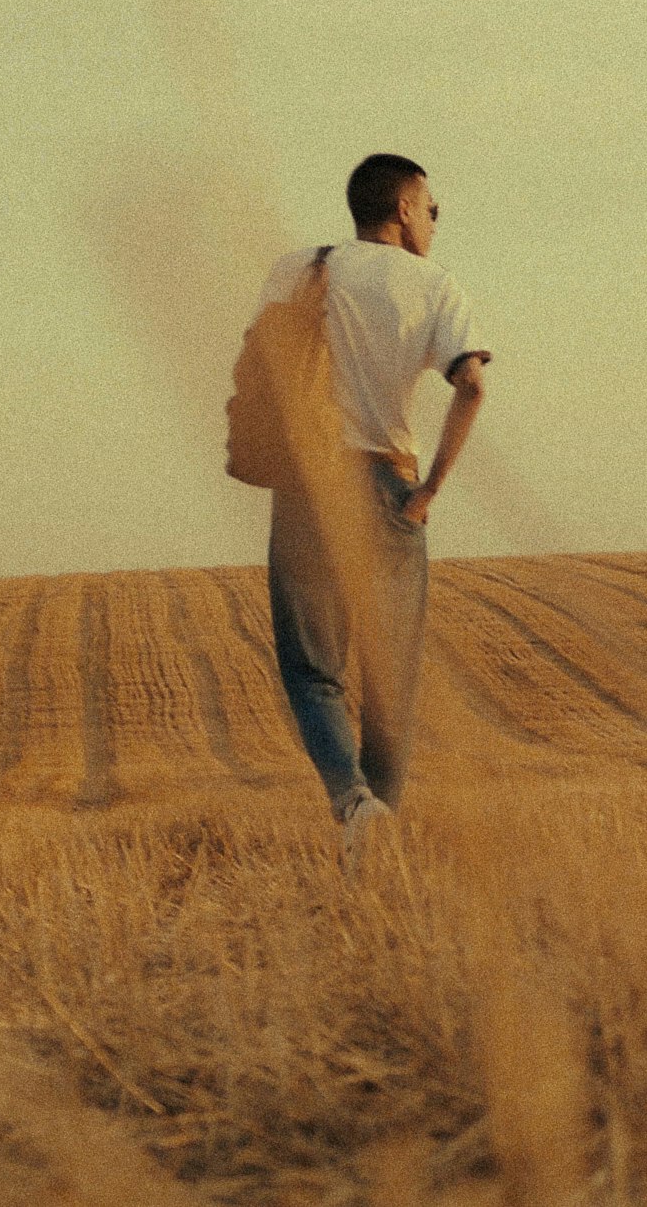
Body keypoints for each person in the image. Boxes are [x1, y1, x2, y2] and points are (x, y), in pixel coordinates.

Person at [257, 153, 489, 848]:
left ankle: (356, 808)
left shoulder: (297, 268)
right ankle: (379, 825)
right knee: (391, 672)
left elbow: (263, 366)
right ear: (402, 209)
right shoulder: (434, 286)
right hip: (389, 485)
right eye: (432, 210)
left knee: (310, 667)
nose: (435, 223)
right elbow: (471, 386)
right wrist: (428, 493)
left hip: (306, 483)